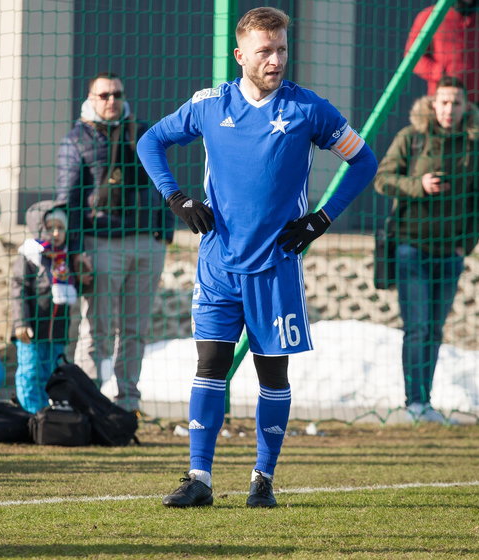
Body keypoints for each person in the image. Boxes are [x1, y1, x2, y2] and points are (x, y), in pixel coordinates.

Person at [137, 7, 377, 508]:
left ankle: (261, 480)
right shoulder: (209, 104)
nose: (275, 60)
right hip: (218, 262)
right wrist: (176, 198)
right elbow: (151, 140)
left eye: (282, 49)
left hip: (276, 266)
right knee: (210, 364)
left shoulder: (310, 109)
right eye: (265, 51)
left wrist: (323, 217)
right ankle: (199, 478)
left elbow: (364, 161)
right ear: (240, 54)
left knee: (273, 374)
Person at [374, 76, 479, 424]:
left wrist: (464, 244)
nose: (449, 109)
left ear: (466, 107)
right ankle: (414, 403)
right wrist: (418, 185)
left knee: (435, 329)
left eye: (456, 103)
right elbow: (382, 179)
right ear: (432, 104)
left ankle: (426, 403)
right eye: (444, 102)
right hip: (411, 248)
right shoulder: (411, 138)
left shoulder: (473, 143)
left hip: (449, 253)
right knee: (419, 327)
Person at [55, 72, 174, 414]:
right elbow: (68, 202)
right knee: (99, 328)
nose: (111, 101)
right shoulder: (76, 140)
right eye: (103, 95)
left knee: (135, 329)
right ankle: (86, 400)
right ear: (90, 98)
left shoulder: (143, 132)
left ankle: (127, 401)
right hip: (100, 243)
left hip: (146, 244)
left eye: (116, 94)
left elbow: (164, 182)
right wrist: (76, 251)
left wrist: (163, 235)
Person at [10, 202, 77, 414]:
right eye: (50, 228)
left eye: (61, 228)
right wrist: (21, 322)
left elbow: (76, 287)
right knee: (30, 371)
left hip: (56, 331)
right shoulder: (30, 255)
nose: (56, 233)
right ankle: (30, 413)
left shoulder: (66, 258)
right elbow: (18, 290)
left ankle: (47, 416)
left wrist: (84, 275)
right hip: (33, 330)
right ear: (40, 228)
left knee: (51, 372)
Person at [405, 0, 479, 111]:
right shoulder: (430, 16)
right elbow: (413, 57)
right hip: (443, 101)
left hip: (475, 101)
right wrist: (441, 74)